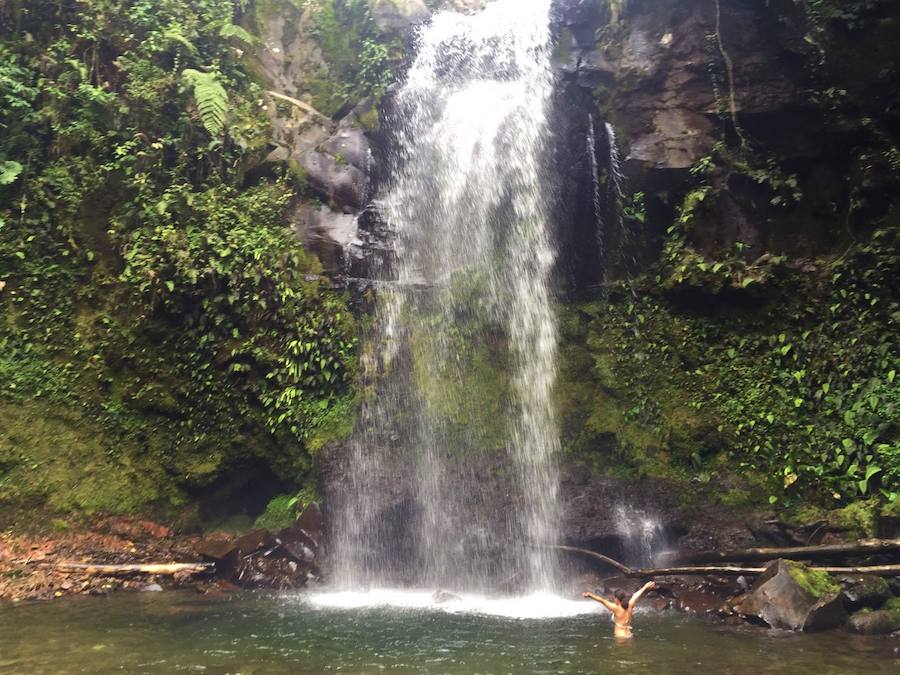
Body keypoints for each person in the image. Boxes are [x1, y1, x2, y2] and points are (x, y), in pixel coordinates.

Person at [582, 581, 657, 639]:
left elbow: (602, 600)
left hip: (620, 636)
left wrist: (590, 595)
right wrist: (645, 587)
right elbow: (635, 595)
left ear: (617, 599)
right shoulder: (630, 604)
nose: (614, 599)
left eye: (614, 598)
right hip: (629, 634)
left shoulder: (616, 608)